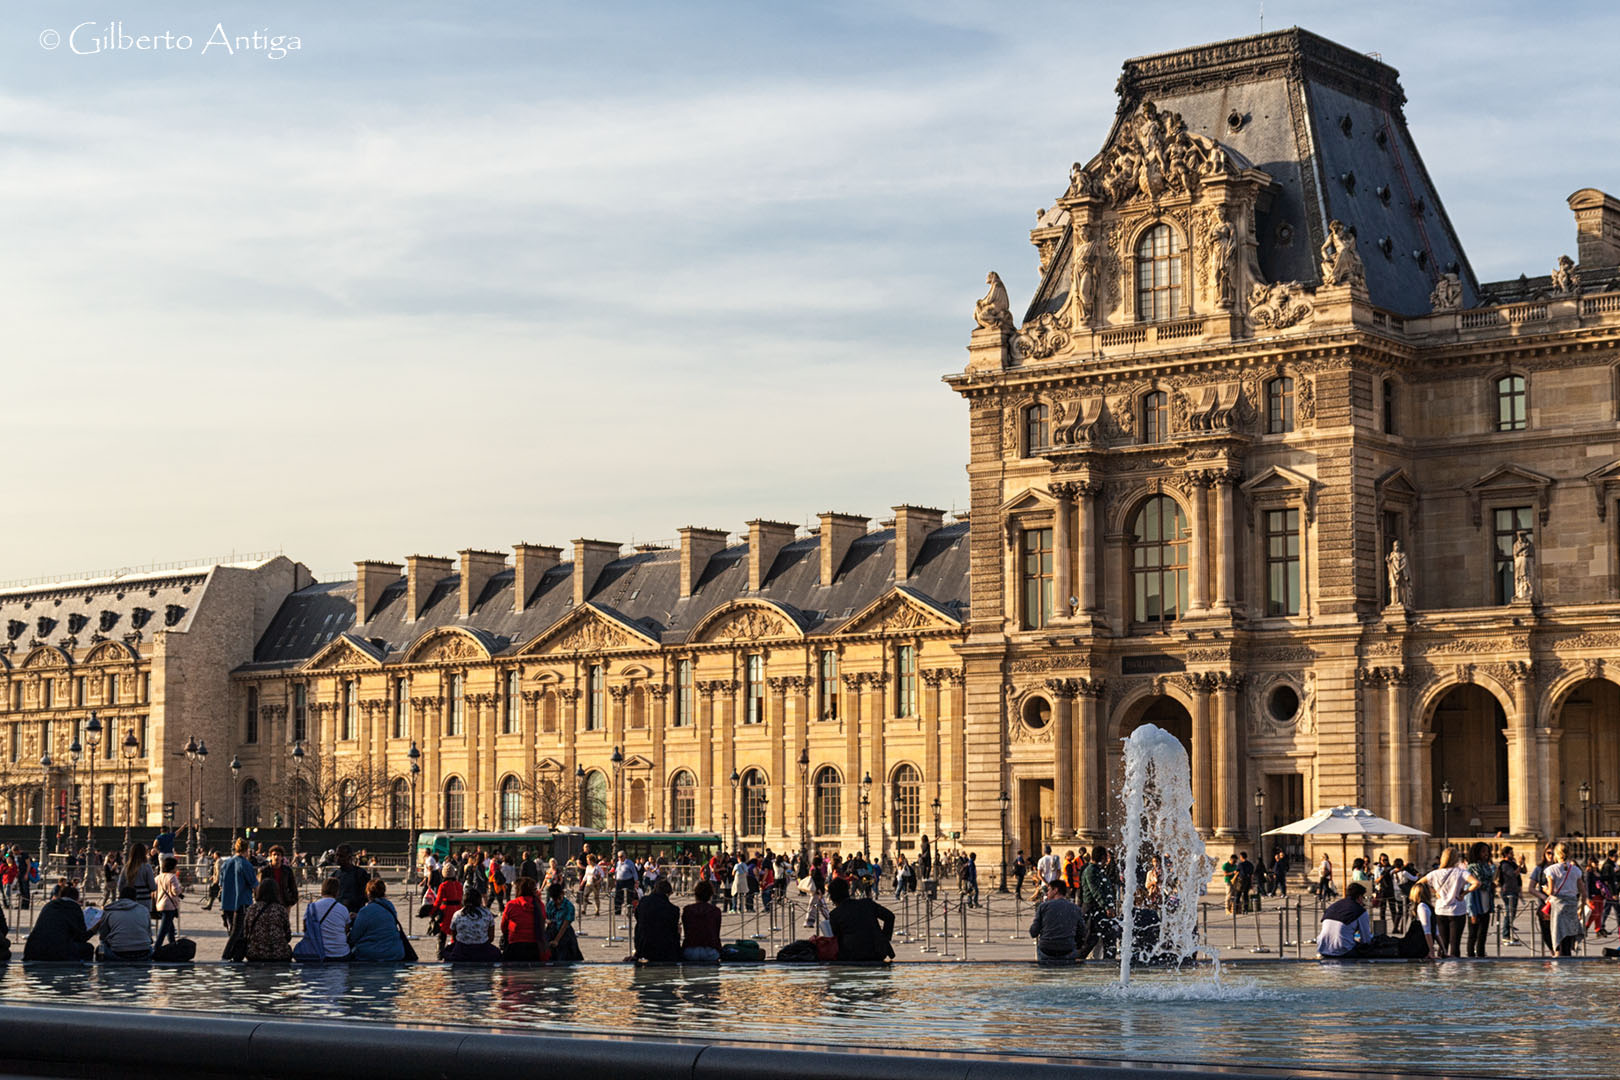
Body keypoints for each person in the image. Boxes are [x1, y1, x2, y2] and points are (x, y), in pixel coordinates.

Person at [1420, 846, 1478, 958]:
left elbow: (1420, 883)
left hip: (1441, 910)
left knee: (1443, 943)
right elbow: (1476, 883)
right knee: (1455, 943)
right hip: (1457, 910)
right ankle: (1455, 969)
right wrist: (1464, 894)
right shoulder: (1461, 872)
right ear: (1455, 858)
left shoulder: (1434, 873)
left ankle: (1442, 969)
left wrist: (1434, 891)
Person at [826, 877, 895, 962]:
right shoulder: (867, 903)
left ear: (832, 897)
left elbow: (838, 939)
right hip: (877, 952)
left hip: (851, 955)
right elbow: (890, 917)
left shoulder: (835, 915)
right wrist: (885, 939)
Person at [24, 881, 96, 961]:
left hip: (33, 950)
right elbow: (81, 937)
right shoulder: (74, 908)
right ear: (76, 898)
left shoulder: (49, 905)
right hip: (57, 951)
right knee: (88, 948)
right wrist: (95, 928)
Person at [1542, 842, 1586, 957]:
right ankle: (1569, 967)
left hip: (1559, 907)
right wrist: (1581, 908)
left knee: (1559, 936)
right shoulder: (1576, 870)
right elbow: (1584, 892)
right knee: (1568, 939)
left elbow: (1551, 891)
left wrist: (1545, 889)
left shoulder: (1551, 870)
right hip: (1571, 906)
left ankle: (1559, 967)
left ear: (1556, 854)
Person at [218, 838, 259, 961]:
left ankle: (237, 956)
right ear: (247, 850)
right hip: (241, 902)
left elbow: (220, 883)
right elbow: (254, 884)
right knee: (239, 931)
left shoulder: (226, 863)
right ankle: (227, 955)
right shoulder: (245, 864)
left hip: (227, 902)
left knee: (234, 931)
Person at [347, 879, 406, 962]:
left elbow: (354, 937)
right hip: (395, 952)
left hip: (373, 953)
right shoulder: (390, 906)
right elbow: (380, 919)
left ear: (368, 893)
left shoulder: (365, 911)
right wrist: (359, 916)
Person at [1029, 880, 1084, 964]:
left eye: (1049, 890)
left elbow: (1033, 932)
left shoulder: (1044, 907)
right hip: (1067, 949)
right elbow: (1081, 931)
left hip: (1047, 949)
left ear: (1055, 890)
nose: (1047, 893)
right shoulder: (1075, 908)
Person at [1317, 882, 1378, 958]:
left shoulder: (1334, 906)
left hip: (1323, 948)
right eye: (1363, 897)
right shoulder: (1360, 911)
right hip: (1342, 950)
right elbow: (1366, 940)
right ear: (1359, 897)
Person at [297, 878, 353, 961]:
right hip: (340, 953)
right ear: (337, 892)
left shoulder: (311, 907)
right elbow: (346, 930)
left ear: (322, 890)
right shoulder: (343, 909)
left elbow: (306, 929)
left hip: (316, 952)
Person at [97, 886, 155, 962]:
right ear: (135, 898)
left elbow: (103, 935)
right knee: (151, 948)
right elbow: (149, 936)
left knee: (100, 947)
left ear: (119, 897)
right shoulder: (144, 910)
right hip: (144, 953)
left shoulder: (110, 911)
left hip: (118, 954)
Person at [242, 880, 293, 962]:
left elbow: (246, 933)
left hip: (255, 953)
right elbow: (288, 936)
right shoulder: (280, 909)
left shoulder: (252, 909)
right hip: (279, 954)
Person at [633, 878, 682, 963]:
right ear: (668, 893)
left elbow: (637, 917)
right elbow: (673, 932)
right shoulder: (673, 910)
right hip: (665, 950)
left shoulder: (643, 902)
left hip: (644, 948)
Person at [500, 877, 546, 962]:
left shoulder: (511, 905)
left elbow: (504, 927)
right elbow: (542, 923)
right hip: (535, 946)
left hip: (515, 946)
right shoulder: (540, 905)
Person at [445, 890, 500, 962]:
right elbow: (491, 937)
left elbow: (454, 937)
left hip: (462, 951)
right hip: (483, 950)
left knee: (447, 951)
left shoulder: (457, 914)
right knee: (497, 953)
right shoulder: (487, 914)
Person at [1464, 842, 1496, 957]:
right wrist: (1472, 912)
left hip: (1486, 903)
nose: (1486, 854)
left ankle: (1481, 954)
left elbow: (1491, 876)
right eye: (1483, 851)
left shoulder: (1486, 866)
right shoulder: (1472, 868)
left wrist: (1491, 885)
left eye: (1487, 851)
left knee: (1482, 934)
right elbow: (1469, 891)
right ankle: (1470, 955)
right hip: (1476, 904)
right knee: (1473, 934)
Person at [682, 879, 723, 963]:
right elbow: (716, 933)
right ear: (710, 895)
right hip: (710, 951)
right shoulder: (715, 911)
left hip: (690, 951)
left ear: (696, 894)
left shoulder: (687, 910)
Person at [545, 882, 582, 962]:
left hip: (565, 934)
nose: (557, 901)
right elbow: (547, 918)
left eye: (559, 898)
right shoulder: (550, 905)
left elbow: (565, 925)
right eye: (555, 899)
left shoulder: (569, 906)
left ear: (562, 894)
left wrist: (556, 940)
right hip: (551, 932)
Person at [1401, 881, 1439, 959]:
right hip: (1418, 946)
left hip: (1418, 946)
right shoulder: (1425, 907)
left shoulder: (1423, 907)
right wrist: (1434, 952)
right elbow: (1431, 932)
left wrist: (1436, 952)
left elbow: (1432, 932)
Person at [115, 843, 156, 915]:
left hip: (129, 901)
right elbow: (152, 887)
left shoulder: (126, 867)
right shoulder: (147, 867)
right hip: (144, 900)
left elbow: (120, 886)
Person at [153, 856, 184, 949]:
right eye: (176, 866)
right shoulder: (172, 877)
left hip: (159, 904)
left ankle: (173, 945)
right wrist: (180, 890)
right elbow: (175, 891)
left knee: (170, 928)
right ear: (172, 867)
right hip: (169, 905)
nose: (176, 868)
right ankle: (156, 947)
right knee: (163, 930)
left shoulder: (158, 877)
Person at [333, 845, 370, 915]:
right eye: (336, 855)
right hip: (338, 915)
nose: (337, 858)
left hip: (355, 915)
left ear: (349, 857)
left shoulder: (360, 873)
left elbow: (367, 895)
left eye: (341, 856)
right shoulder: (334, 875)